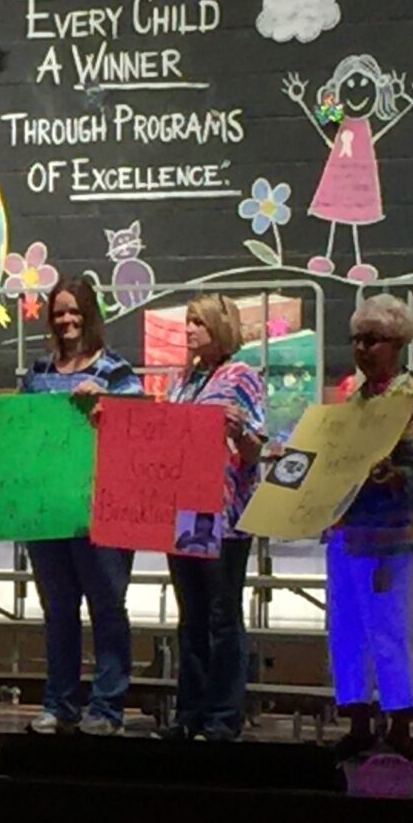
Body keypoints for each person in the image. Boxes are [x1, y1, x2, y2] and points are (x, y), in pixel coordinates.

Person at [21, 278, 145, 735]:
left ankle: (107, 708)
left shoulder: (116, 370)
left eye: (74, 311)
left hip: (102, 507)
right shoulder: (37, 373)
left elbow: (141, 429)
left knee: (107, 606)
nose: (67, 320)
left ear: (90, 315)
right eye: (59, 313)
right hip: (50, 508)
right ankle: (60, 704)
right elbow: (22, 432)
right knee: (58, 609)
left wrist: (106, 406)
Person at [325, 296, 413, 757]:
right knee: (346, 630)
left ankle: (400, 723)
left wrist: (396, 475)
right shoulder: (353, 403)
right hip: (348, 531)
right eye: (356, 340)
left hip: (395, 538)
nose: (362, 349)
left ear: (397, 344)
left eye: (372, 340)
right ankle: (357, 719)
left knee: (391, 631)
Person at [164, 295, 266, 742]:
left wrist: (238, 431)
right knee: (192, 616)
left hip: (226, 515)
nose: (189, 330)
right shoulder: (182, 380)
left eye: (198, 323)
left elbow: (256, 449)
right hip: (186, 511)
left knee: (223, 616)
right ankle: (189, 713)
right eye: (187, 322)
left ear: (219, 329)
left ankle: (223, 715)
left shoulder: (242, 377)